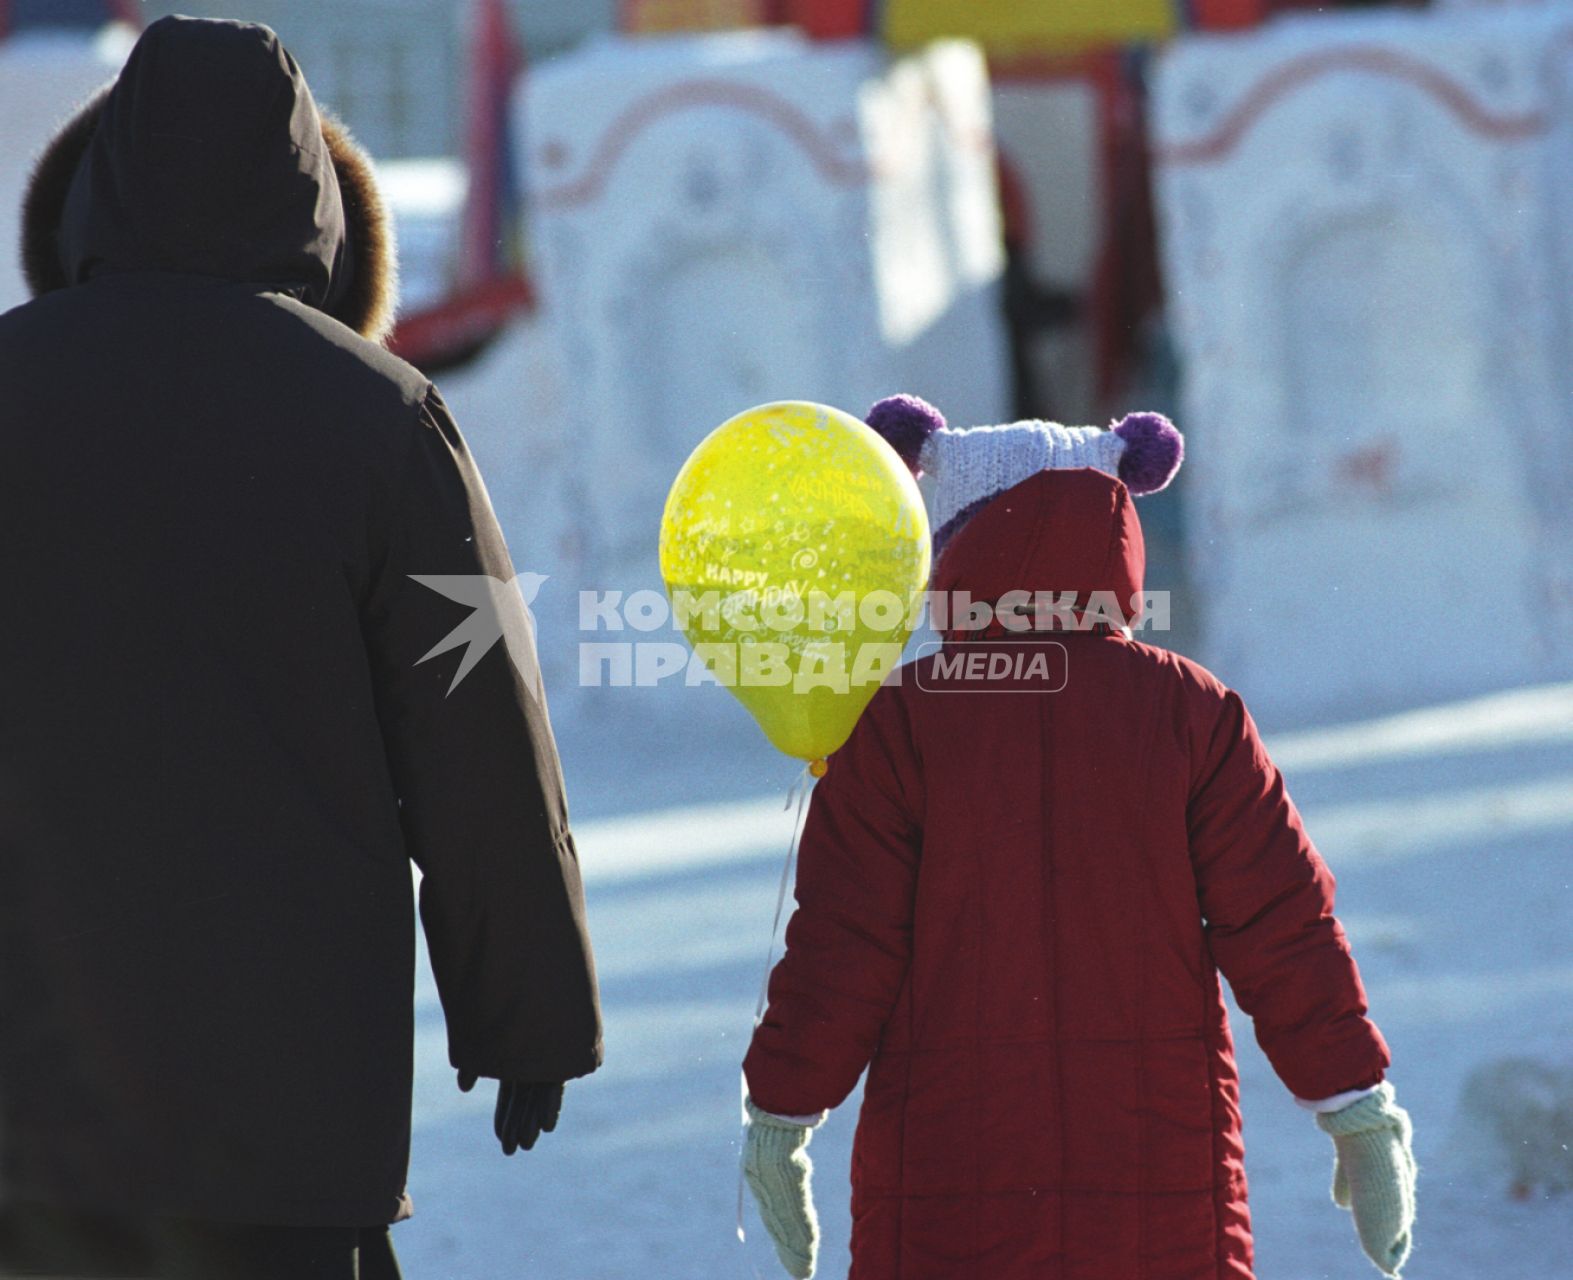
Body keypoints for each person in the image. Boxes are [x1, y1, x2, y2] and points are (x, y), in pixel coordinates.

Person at [0, 16, 601, 1279]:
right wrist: (527, 1009)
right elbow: (478, 731)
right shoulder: (382, 420)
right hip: (285, 1115)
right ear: (315, 197)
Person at [740, 398, 1416, 1278]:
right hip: (1159, 1170)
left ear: (945, 543)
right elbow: (1282, 924)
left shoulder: (897, 723)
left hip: (947, 1175)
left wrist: (780, 1115)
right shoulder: (1190, 711)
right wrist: (1353, 1102)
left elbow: (842, 945)